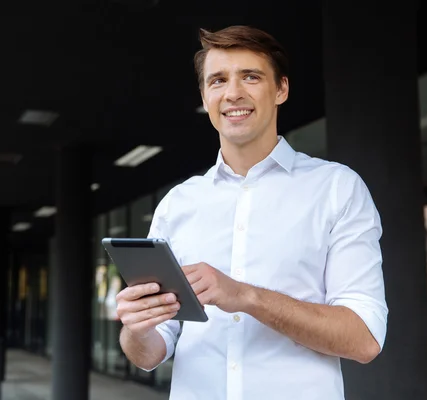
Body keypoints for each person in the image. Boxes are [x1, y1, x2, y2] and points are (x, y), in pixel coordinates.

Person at [115, 25, 388, 400]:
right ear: (204, 95)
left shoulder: (337, 189)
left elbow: (364, 339)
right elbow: (149, 354)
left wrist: (244, 296)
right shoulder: (177, 205)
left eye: (251, 76)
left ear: (281, 89)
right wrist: (137, 329)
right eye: (218, 80)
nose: (233, 93)